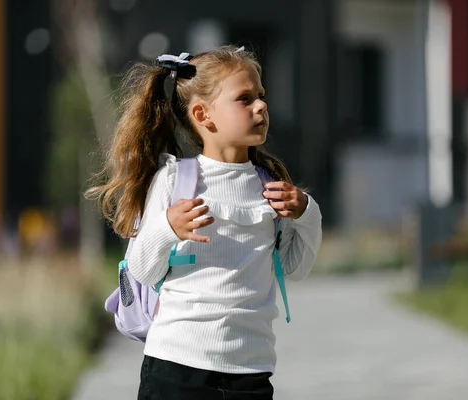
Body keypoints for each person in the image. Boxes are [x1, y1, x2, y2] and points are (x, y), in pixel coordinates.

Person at [87, 45, 323, 399]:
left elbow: (295, 267)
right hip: (177, 368)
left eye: (261, 96)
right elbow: (142, 270)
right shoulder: (174, 180)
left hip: (250, 370)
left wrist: (307, 211)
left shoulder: (270, 185)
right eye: (245, 99)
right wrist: (167, 228)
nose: (261, 106)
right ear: (203, 114)